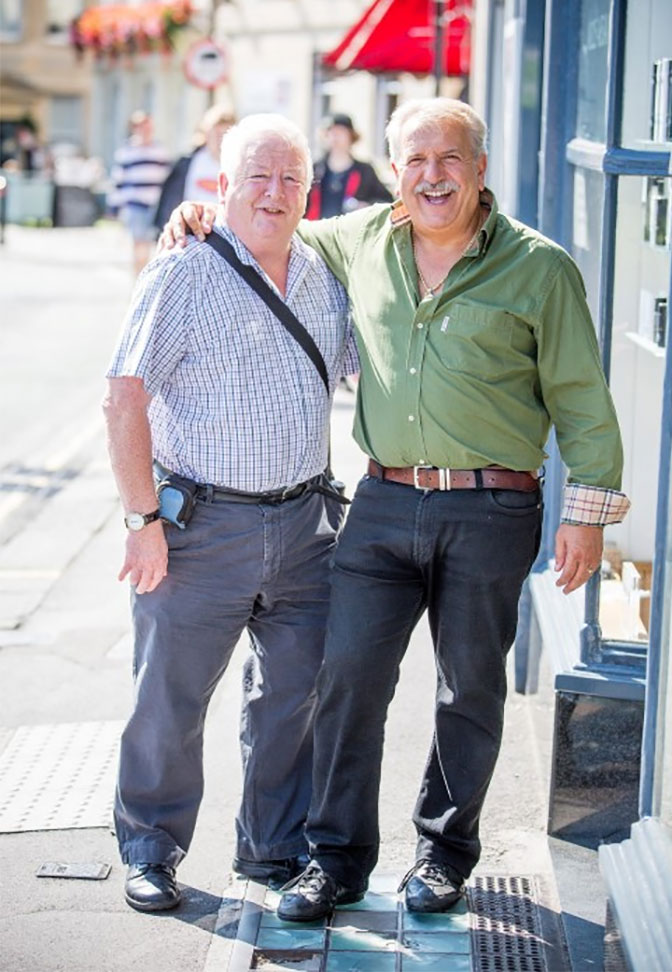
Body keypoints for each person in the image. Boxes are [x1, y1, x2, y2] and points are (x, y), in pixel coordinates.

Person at [161, 96, 631, 921]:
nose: (431, 176)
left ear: (480, 169)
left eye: (448, 158)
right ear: (393, 171)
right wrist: (205, 208)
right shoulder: (361, 239)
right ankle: (334, 859)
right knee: (345, 680)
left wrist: (586, 512)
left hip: (492, 509)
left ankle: (444, 855)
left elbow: (582, 400)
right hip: (380, 502)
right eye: (413, 160)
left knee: (468, 689)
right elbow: (274, 220)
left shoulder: (539, 267)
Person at [103, 113, 359, 914]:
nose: (274, 193)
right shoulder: (183, 270)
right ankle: (150, 848)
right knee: (170, 702)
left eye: (290, 179)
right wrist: (143, 519)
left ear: (310, 194)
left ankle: (271, 848)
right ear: (223, 185)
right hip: (198, 530)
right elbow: (124, 396)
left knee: (293, 697)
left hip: (306, 528)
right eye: (257, 175)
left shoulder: (325, 272)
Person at [153, 103, 237, 232]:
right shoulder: (187, 163)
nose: (219, 139)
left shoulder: (239, 167)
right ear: (206, 133)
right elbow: (170, 201)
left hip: (226, 232)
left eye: (224, 134)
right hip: (190, 231)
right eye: (215, 133)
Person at [109, 110, 170, 275]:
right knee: (139, 245)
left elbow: (167, 178)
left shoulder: (159, 151)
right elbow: (118, 181)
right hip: (135, 204)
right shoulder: (126, 151)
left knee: (156, 245)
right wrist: (114, 207)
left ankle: (150, 276)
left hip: (156, 205)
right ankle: (139, 278)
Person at [305, 112, 393, 219]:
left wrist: (367, 206)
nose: (334, 137)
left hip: (350, 231)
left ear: (351, 136)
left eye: (340, 132)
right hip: (316, 231)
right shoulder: (315, 169)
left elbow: (386, 201)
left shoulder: (364, 171)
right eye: (330, 132)